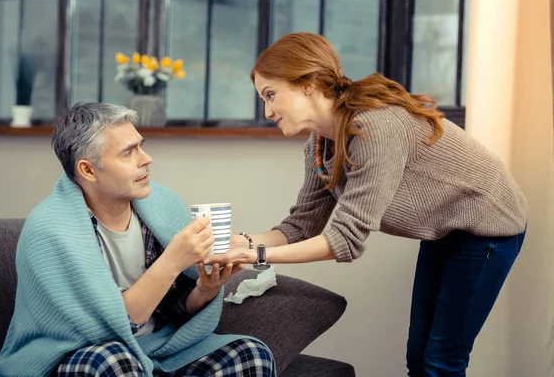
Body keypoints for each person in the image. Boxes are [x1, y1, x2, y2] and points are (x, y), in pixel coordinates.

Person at [204, 32, 528, 377]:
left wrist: (256, 255)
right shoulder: (320, 143)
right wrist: (239, 242)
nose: (267, 111)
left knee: (442, 361)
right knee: (419, 357)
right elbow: (300, 227)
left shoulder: (374, 127)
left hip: (489, 226)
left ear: (308, 84)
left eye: (271, 95)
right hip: (447, 229)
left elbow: (346, 241)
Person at [0, 102, 275, 377]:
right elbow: (110, 327)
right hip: (78, 354)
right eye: (129, 153)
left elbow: (170, 307)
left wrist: (205, 290)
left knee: (250, 354)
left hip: (157, 348)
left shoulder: (162, 205)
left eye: (141, 146)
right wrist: (173, 261)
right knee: (114, 361)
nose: (146, 159)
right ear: (87, 170)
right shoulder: (49, 230)